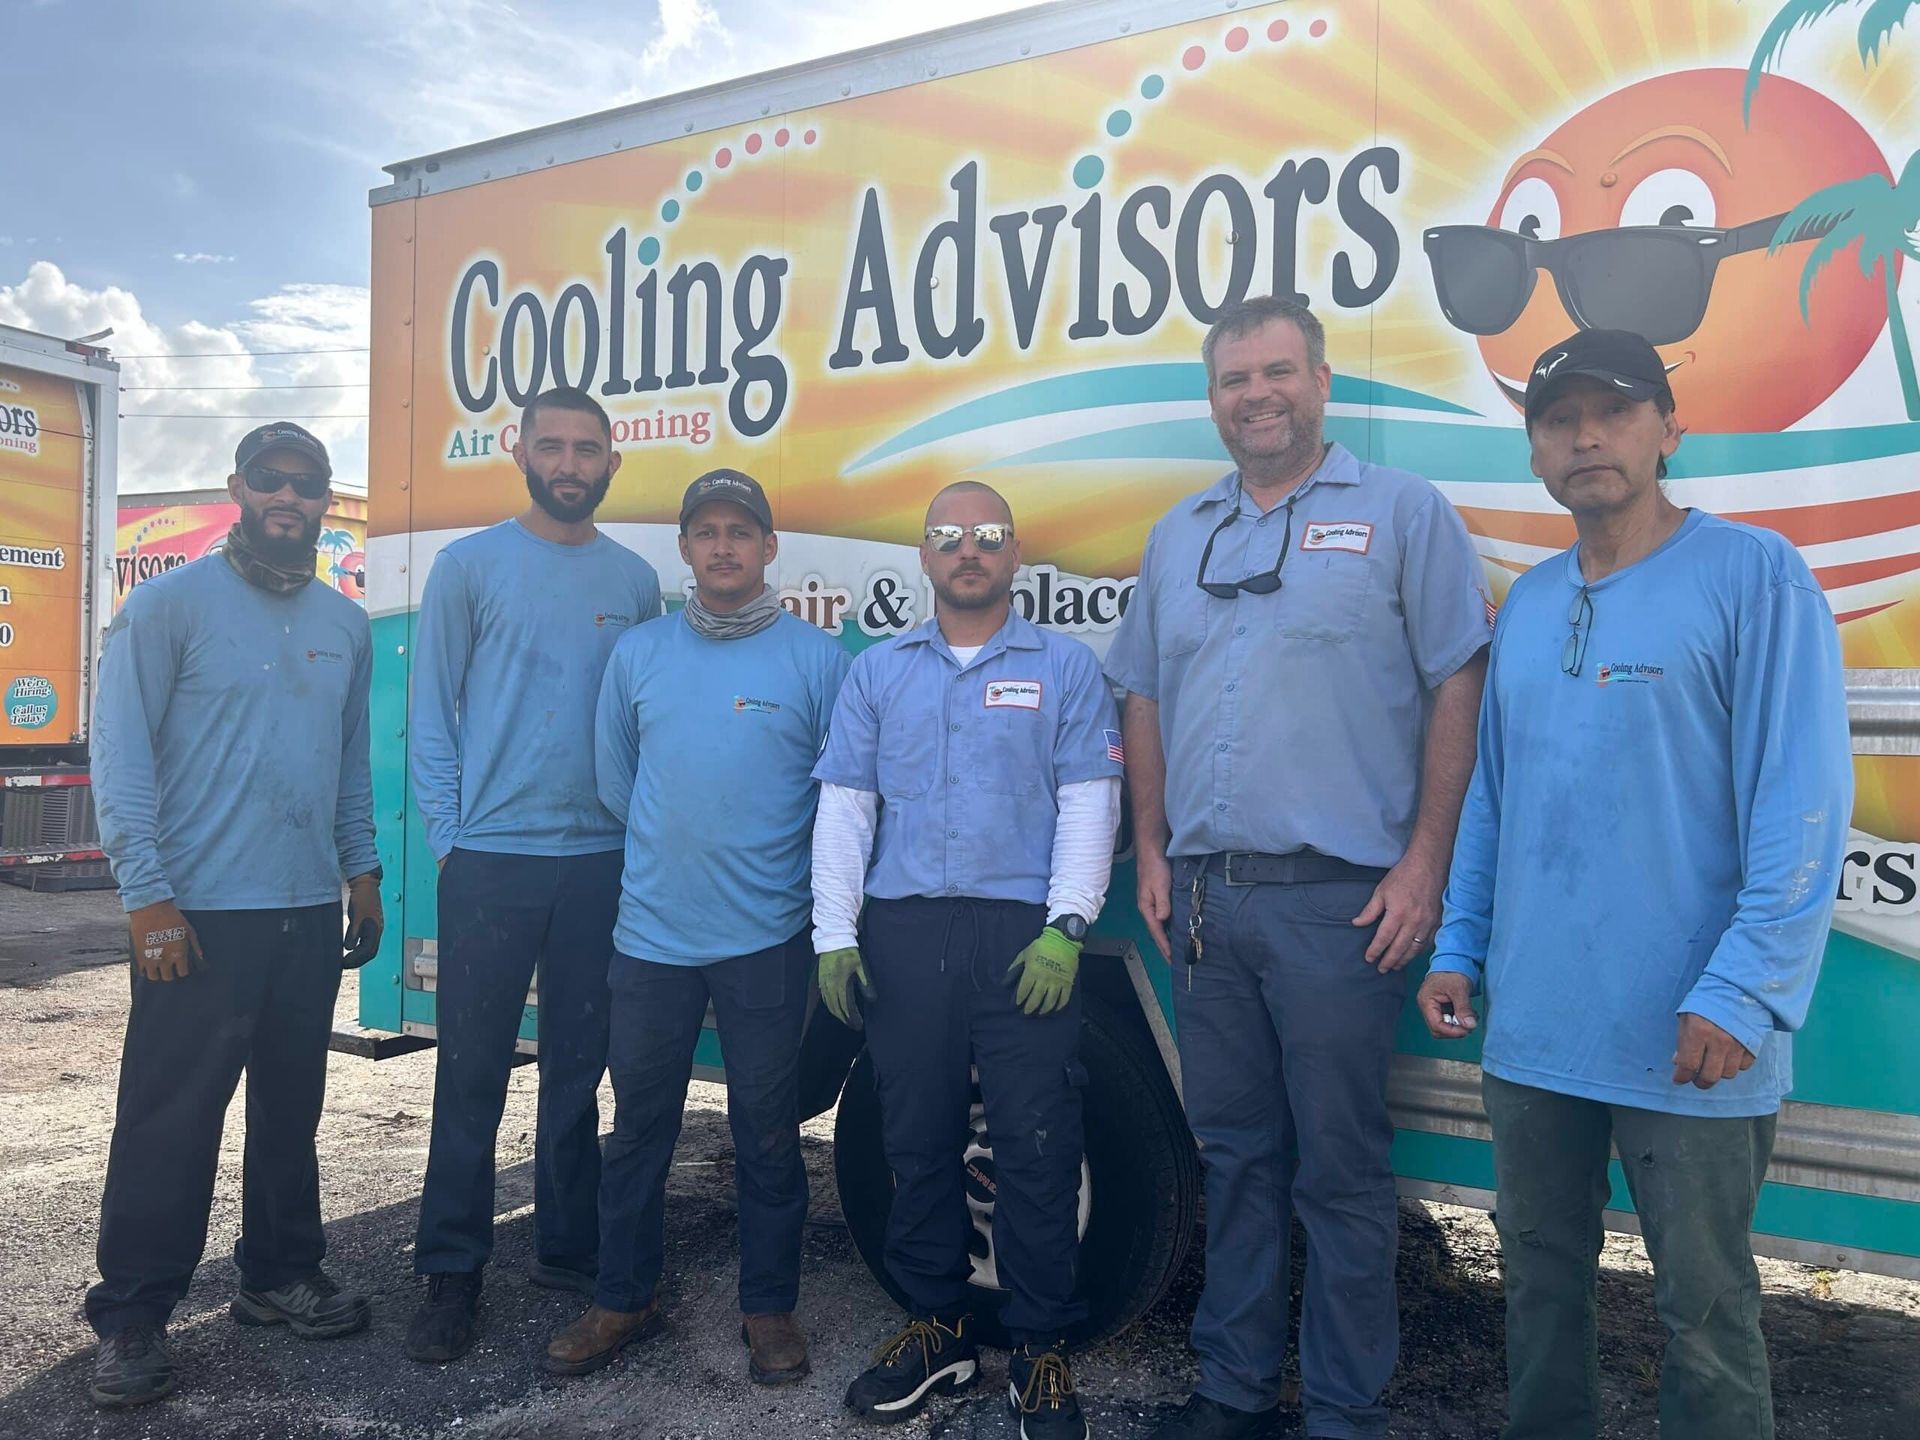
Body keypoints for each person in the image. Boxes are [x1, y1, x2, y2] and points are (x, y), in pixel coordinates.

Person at [1416, 328, 1852, 1440]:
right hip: (1539, 1032)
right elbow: (1495, 801)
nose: (1587, 436)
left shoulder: (1755, 577)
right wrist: (1461, 944)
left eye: (1613, 411)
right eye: (1560, 419)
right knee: (1541, 1289)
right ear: (1535, 454)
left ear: (1669, 429)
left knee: (1703, 1314)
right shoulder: (1528, 605)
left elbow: (1803, 805)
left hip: (1691, 1033)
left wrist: (1743, 992)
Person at [1105, 295, 1493, 1440]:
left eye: (1278, 371)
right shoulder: (1182, 534)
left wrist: (1426, 861)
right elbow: (1142, 692)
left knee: (1339, 1177)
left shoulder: (1401, 514)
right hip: (1210, 907)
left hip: (1341, 908)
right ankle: (1230, 1396)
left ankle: (1341, 1413)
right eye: (1235, 379)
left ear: (1322, 384)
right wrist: (1150, 845)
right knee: (1236, 1161)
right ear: (1214, 399)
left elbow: (1458, 678)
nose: (1257, 394)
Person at [812, 481, 1122, 1440]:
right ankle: (939, 1330)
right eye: (949, 537)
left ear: (1014, 552)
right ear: (924, 556)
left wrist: (1068, 927)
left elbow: (1088, 800)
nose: (968, 551)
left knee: (1036, 1146)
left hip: (1022, 938)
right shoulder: (878, 674)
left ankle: (1039, 1351)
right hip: (904, 935)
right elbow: (847, 809)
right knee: (916, 1139)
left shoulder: (1066, 669)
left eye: (987, 536)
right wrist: (835, 934)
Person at [87, 422, 381, 1408]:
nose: (290, 499)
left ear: (324, 500)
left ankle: (278, 1276)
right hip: (198, 919)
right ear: (240, 489)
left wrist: (364, 872)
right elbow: (120, 761)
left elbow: (346, 766)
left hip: (304, 913)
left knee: (291, 1111)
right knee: (169, 1123)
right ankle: (132, 1316)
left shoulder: (346, 625)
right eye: (272, 482)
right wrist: (149, 899)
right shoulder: (165, 609)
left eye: (309, 485)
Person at [545, 469, 848, 1383]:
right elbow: (615, 782)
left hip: (767, 940)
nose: (723, 547)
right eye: (706, 531)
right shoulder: (638, 655)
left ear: (769, 548)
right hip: (650, 941)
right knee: (640, 1128)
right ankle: (622, 1296)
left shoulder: (816, 659)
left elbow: (840, 798)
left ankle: (770, 1309)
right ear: (684, 549)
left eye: (740, 532)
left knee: (764, 1131)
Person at [406, 385, 661, 1362]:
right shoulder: (467, 567)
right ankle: (450, 1272)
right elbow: (431, 714)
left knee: (577, 1074)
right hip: (491, 866)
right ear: (518, 451)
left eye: (585, 447)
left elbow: (637, 725)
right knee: (471, 1077)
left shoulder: (636, 581)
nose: (567, 462)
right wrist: (451, 842)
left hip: (599, 864)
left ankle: (567, 1247)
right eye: (550, 444)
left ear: (611, 463)